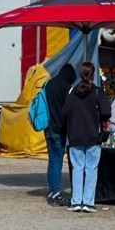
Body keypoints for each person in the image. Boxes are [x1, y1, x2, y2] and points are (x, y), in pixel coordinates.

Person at [61, 62, 110, 213]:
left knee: (77, 169)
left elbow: (64, 113)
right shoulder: (97, 92)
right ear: (93, 74)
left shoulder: (72, 92)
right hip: (93, 136)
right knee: (91, 169)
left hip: (75, 135)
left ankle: (76, 201)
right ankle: (88, 202)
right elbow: (107, 112)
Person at [41, 64, 76, 206]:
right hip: (59, 128)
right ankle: (55, 193)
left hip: (47, 126)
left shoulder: (48, 83)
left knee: (51, 160)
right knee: (57, 161)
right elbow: (69, 109)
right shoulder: (66, 88)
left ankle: (51, 190)